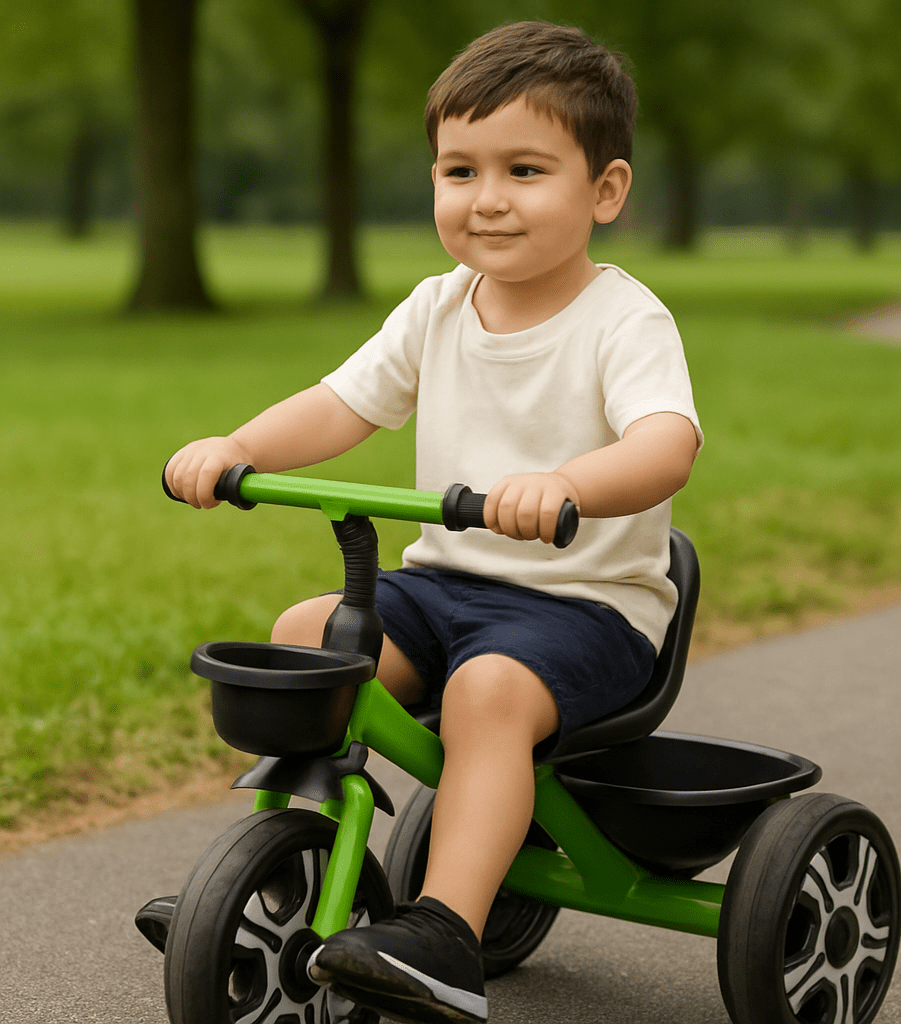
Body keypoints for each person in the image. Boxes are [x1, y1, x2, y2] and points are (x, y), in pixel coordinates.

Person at [164, 20, 702, 1024]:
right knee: (305, 635)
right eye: (460, 171)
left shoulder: (624, 320)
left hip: (584, 607)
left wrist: (566, 483)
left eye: (524, 170)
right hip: (445, 585)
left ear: (606, 190)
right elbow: (341, 403)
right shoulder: (438, 306)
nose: (486, 198)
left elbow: (666, 444)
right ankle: (280, 879)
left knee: (487, 693)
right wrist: (237, 446)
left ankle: (446, 933)